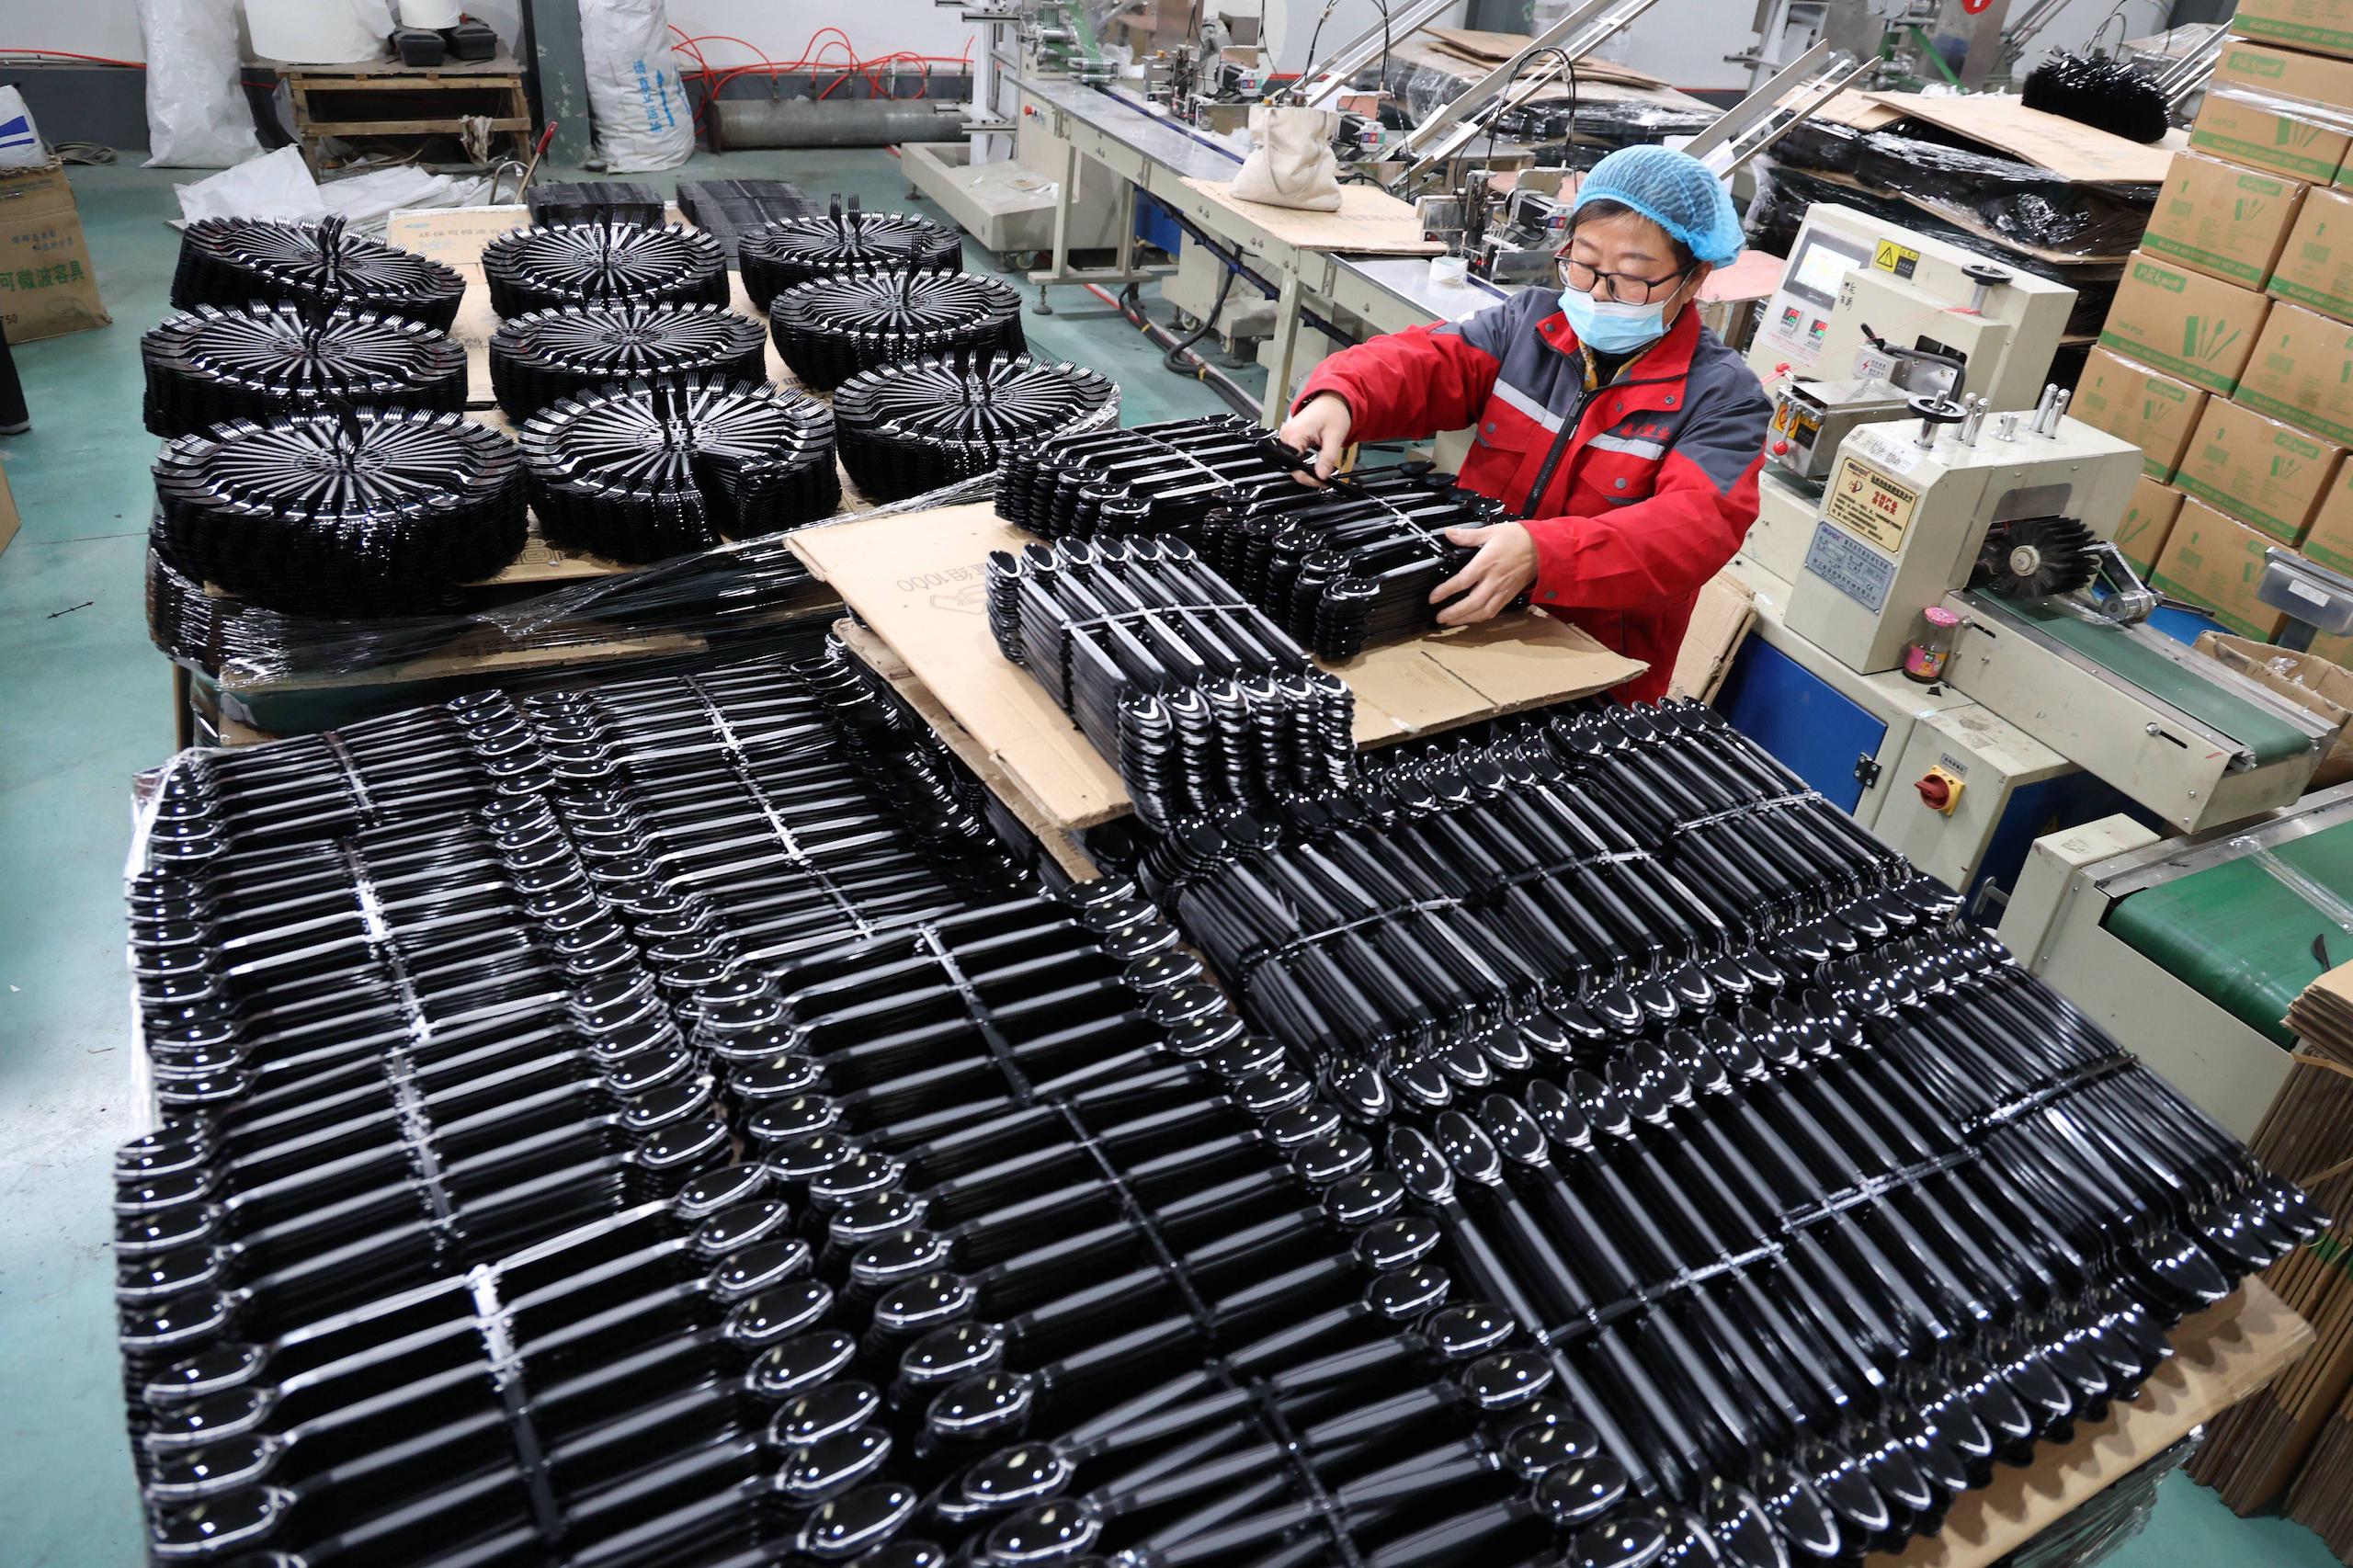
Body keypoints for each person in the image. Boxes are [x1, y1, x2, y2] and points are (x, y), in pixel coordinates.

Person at [1276, 144, 1770, 704]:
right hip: (1462, 619)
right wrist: (1340, 397)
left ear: (1695, 275)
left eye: (1631, 278)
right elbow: (1425, 362)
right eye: (1582, 264)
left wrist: (1545, 553)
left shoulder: (1723, 400)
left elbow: (1691, 530)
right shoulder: (1530, 324)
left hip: (1589, 669)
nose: (1597, 293)